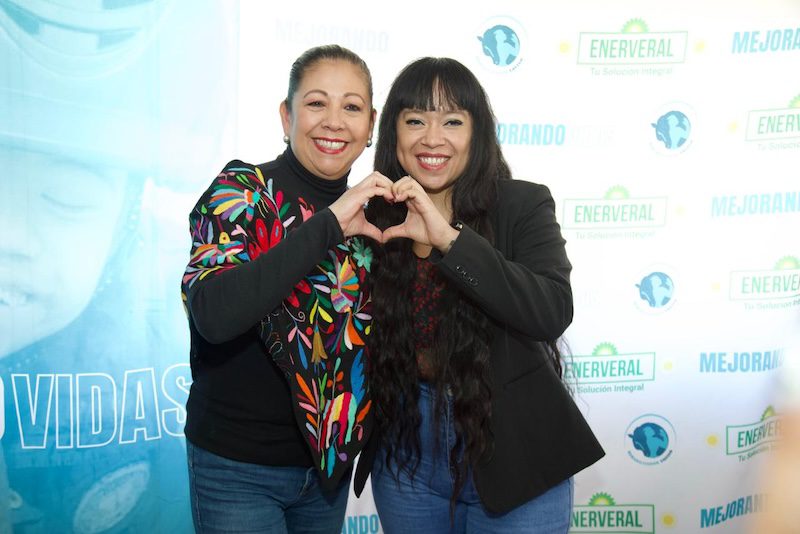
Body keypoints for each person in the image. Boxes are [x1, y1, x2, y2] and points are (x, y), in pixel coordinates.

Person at [354, 57, 605, 533]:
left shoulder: (522, 204)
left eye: (452, 121)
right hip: (405, 455)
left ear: (478, 133)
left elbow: (551, 310)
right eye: (415, 120)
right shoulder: (371, 217)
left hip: (516, 454)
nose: (432, 138)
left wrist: (450, 241)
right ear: (392, 133)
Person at [181, 44, 394, 533]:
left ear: (370, 126)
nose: (334, 121)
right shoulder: (243, 191)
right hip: (237, 468)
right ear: (287, 115)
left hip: (325, 476)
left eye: (352, 107)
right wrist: (328, 225)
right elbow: (214, 314)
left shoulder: (374, 216)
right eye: (317, 103)